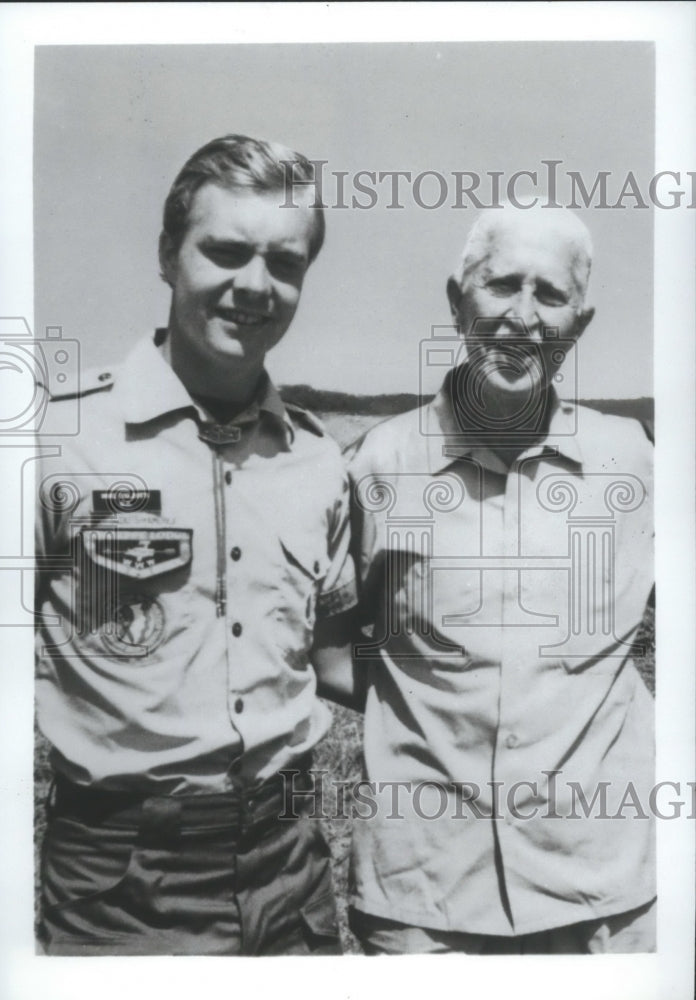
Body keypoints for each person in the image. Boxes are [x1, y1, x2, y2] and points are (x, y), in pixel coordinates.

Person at [34, 134, 357, 956]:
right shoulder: (56, 445)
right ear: (166, 256)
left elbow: (333, 660)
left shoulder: (319, 462)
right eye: (225, 251)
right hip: (121, 882)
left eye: (284, 263)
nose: (255, 286)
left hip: (292, 868)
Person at [345, 205, 655, 954]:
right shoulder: (380, 465)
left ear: (578, 323)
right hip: (425, 902)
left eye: (550, 295)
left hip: (605, 898)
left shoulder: (631, 461)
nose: (522, 317)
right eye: (501, 286)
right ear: (457, 300)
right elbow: (331, 649)